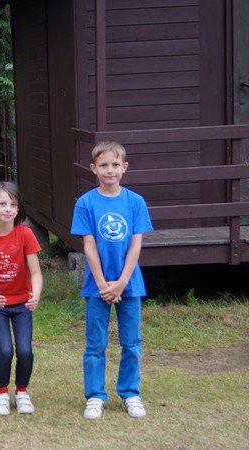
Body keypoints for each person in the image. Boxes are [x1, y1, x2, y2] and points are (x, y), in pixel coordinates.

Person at [70, 141, 153, 420]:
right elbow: (89, 246)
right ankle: (95, 396)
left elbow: (136, 245)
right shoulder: (85, 203)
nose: (110, 170)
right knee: (96, 344)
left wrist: (121, 282)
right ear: (93, 168)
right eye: (103, 165)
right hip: (97, 287)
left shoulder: (135, 202)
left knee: (132, 342)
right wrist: (103, 284)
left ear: (124, 167)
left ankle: (130, 393)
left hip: (130, 285)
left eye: (115, 164)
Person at [0, 182, 43, 416]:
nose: (8, 209)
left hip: (22, 304)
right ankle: (1, 393)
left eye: (13, 204)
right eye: (2, 204)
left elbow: (36, 273)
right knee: (4, 350)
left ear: (19, 208)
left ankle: (22, 392)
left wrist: (35, 295)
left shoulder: (25, 234)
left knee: (24, 351)